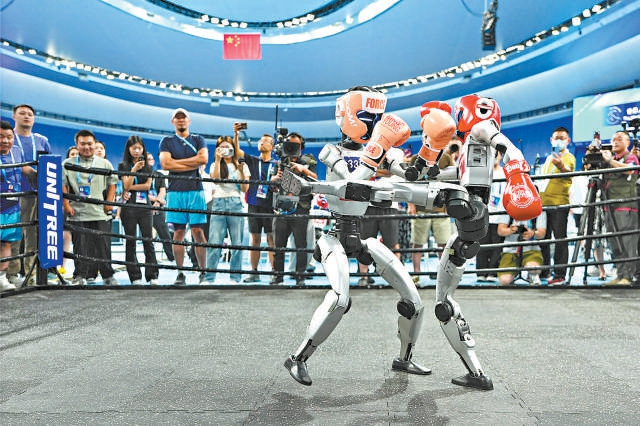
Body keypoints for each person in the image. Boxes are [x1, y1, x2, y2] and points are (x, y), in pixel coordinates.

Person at [282, 87, 431, 386]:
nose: (373, 123)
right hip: (333, 234)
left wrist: (427, 154)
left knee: (413, 300)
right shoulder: (331, 151)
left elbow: (409, 176)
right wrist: (379, 150)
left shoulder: (380, 151)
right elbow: (352, 183)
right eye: (366, 115)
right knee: (340, 300)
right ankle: (297, 358)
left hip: (361, 236)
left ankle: (404, 357)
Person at [404, 94, 542, 389]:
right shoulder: (472, 142)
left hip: (471, 208)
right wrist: (433, 173)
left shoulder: (481, 128)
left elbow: (505, 144)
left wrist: (517, 167)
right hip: (469, 208)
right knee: (444, 300)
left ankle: (476, 373)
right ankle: (474, 373)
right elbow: (461, 173)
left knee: (443, 303)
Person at [62, 129, 119, 286]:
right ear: (77, 145)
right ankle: (80, 276)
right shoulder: (67, 164)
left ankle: (108, 276)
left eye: (89, 144)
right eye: (83, 144)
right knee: (80, 247)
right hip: (78, 212)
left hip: (100, 212)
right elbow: (63, 185)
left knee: (103, 247)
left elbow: (112, 184)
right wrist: (66, 204)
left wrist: (109, 203)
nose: (86, 147)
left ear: (94, 144)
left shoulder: (104, 163)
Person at [158, 108, 208, 285]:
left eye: (183, 117)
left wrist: (176, 163)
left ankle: (203, 271)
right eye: (177, 118)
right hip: (175, 192)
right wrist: (192, 163)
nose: (180, 120)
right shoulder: (167, 141)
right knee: (178, 233)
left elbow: (203, 160)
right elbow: (165, 164)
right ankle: (180, 272)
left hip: (195, 190)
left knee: (198, 232)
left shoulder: (198, 139)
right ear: (173, 122)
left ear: (189, 121)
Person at [10, 104, 51, 286]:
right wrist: (28, 170)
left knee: (33, 235)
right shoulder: (7, 138)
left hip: (36, 194)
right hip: (11, 194)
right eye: (22, 113)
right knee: (12, 234)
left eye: (30, 114)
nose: (26, 116)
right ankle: (10, 274)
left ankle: (31, 274)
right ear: (14, 116)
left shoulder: (42, 140)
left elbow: (49, 165)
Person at [271, 132, 317, 286]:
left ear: (301, 147)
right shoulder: (280, 162)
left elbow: (316, 180)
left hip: (301, 208)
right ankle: (277, 276)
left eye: (296, 145)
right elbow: (271, 184)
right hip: (281, 208)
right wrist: (275, 179)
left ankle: (300, 276)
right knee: (279, 246)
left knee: (301, 245)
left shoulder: (308, 161)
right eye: (289, 144)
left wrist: (303, 170)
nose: (292, 148)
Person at [203, 135, 250, 284]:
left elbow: (245, 189)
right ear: (217, 149)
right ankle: (209, 278)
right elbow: (216, 180)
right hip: (218, 202)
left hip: (236, 202)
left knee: (237, 243)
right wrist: (218, 160)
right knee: (214, 241)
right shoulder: (214, 164)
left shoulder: (242, 165)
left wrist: (241, 171)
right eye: (221, 147)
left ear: (233, 148)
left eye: (227, 147)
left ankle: (235, 278)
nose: (225, 150)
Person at [408, 143, 455, 285]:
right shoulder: (415, 158)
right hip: (420, 208)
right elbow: (409, 182)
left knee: (444, 244)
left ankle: (443, 275)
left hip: (441, 209)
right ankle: (416, 274)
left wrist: (449, 205)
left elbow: (454, 180)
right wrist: (411, 205)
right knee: (417, 244)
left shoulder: (446, 158)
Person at [234, 127, 277, 283]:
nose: (262, 143)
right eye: (260, 141)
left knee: (272, 240)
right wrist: (236, 134)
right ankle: (254, 272)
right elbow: (237, 152)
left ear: (272, 147)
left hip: (271, 206)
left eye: (266, 141)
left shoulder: (277, 164)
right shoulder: (253, 160)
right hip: (253, 204)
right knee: (255, 239)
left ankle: (274, 272)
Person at [599, 131, 639, 286]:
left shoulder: (631, 157)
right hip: (609, 206)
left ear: (628, 142)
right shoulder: (611, 159)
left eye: (619, 139)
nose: (615, 142)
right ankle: (621, 274)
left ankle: (628, 276)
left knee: (627, 242)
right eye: (613, 139)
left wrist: (610, 161)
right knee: (615, 243)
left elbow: (629, 169)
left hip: (625, 206)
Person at [118, 136, 159, 285]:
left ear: (143, 149)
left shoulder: (148, 167)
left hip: (145, 207)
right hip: (129, 207)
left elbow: (147, 186)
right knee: (131, 241)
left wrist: (130, 187)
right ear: (128, 149)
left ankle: (152, 275)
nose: (137, 151)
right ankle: (135, 276)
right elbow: (125, 185)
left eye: (139, 148)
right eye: (134, 148)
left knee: (148, 240)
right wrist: (134, 170)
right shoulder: (123, 166)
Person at [0, 120, 36, 291]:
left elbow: (24, 168)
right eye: (1, 136)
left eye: (9, 137)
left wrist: (41, 175)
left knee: (7, 243)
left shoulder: (16, 151)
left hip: (12, 206)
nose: (5, 140)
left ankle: (2, 278)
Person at [539, 126, 575, 285]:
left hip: (559, 204)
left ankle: (560, 274)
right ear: (551, 140)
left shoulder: (569, 157)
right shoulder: (548, 158)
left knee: (560, 239)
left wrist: (560, 165)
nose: (559, 140)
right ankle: (544, 271)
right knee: (543, 239)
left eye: (562, 138)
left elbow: (568, 172)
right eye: (556, 138)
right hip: (543, 204)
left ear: (568, 140)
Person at [475, 150, 505, 282]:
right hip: (484, 213)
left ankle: (493, 272)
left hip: (500, 214)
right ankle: (481, 272)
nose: (495, 157)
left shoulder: (505, 173)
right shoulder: (482, 173)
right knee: (482, 244)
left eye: (497, 155)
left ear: (501, 156)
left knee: (496, 244)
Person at [496, 211, 547, 286]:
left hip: (532, 249)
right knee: (505, 281)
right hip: (510, 250)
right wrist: (510, 230)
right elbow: (500, 231)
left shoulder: (539, 210)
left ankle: (533, 276)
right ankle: (512, 276)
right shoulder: (508, 208)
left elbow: (542, 233)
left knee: (533, 268)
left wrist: (532, 233)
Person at [146, 152, 174, 262]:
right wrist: (156, 200)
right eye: (147, 159)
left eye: (151, 159)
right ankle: (150, 259)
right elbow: (142, 192)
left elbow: (163, 191)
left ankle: (172, 258)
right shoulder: (139, 175)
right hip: (145, 207)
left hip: (158, 208)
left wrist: (157, 203)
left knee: (165, 234)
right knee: (147, 236)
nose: (149, 161)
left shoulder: (159, 175)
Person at [59, 146, 79, 279]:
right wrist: (65, 205)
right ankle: (61, 267)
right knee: (65, 236)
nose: (75, 156)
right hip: (64, 208)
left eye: (77, 154)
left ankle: (70, 267)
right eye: (72, 154)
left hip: (82, 208)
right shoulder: (63, 170)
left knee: (78, 238)